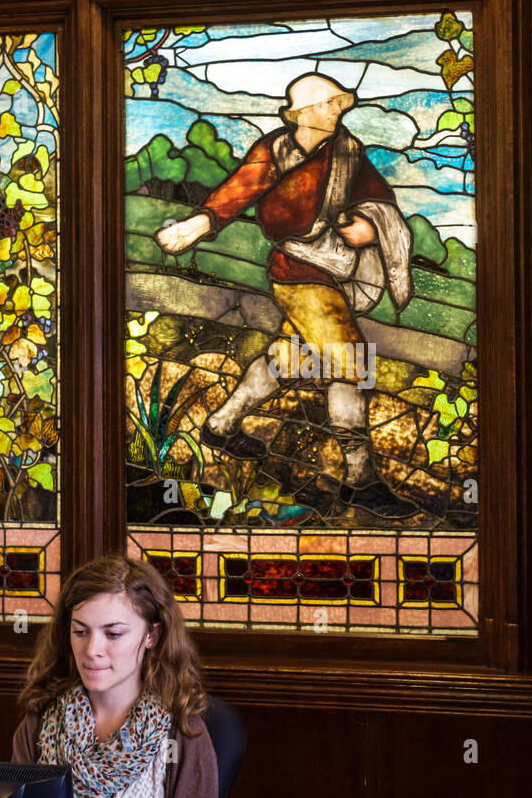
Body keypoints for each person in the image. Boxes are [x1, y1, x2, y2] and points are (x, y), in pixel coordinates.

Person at [155, 71, 418, 518]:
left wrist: (370, 225)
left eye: (340, 102)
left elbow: (379, 197)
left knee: (289, 359)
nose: (339, 108)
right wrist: (195, 227)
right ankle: (360, 480)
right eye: (331, 102)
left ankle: (221, 425)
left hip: (336, 268)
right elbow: (239, 189)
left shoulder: (348, 151)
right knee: (352, 366)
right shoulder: (275, 150)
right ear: (304, 112)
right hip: (298, 273)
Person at [10, 554, 218, 798]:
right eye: (81, 631)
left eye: (114, 633)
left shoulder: (183, 738)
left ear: (152, 636)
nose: (92, 650)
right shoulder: (38, 725)